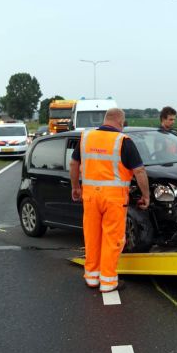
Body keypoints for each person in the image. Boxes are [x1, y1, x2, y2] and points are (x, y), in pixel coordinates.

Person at [69, 108, 150, 293]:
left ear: (105, 120)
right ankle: (108, 282)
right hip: (114, 199)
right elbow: (139, 171)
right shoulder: (123, 141)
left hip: (89, 197)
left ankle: (91, 278)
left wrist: (75, 187)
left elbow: (74, 164)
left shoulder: (86, 137)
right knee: (112, 239)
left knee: (92, 237)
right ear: (121, 122)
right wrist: (146, 195)